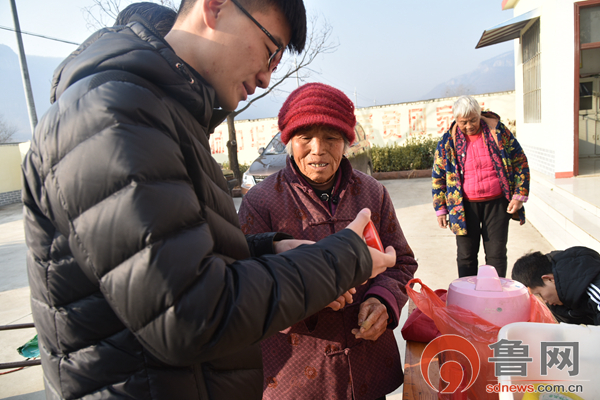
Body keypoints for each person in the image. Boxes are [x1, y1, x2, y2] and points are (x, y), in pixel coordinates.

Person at [21, 2, 396, 399]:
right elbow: (188, 314)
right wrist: (341, 259)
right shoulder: (113, 115)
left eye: (278, 59)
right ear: (215, 7)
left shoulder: (162, 113)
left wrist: (264, 251)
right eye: (270, 49)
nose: (268, 76)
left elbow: (170, 260)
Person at [238, 82, 418, 400]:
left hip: (367, 364)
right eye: (305, 137)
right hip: (298, 375)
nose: (318, 149)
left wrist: (383, 302)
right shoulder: (262, 201)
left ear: (346, 142)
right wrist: (306, 293)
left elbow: (402, 261)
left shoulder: (372, 192)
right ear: (289, 141)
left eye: (331, 138)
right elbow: (242, 282)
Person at [432, 95, 530, 278]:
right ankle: (467, 297)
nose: (469, 126)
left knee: (496, 255)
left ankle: (494, 296)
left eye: (473, 120)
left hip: (497, 204)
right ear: (456, 120)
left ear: (479, 114)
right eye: (463, 122)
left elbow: (520, 161)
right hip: (463, 207)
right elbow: (438, 176)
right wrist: (441, 209)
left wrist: (519, 195)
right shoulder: (448, 141)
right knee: (466, 256)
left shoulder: (497, 132)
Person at [512, 246, 600, 325]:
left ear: (549, 279)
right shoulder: (559, 293)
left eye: (540, 295)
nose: (544, 301)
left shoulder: (594, 289)